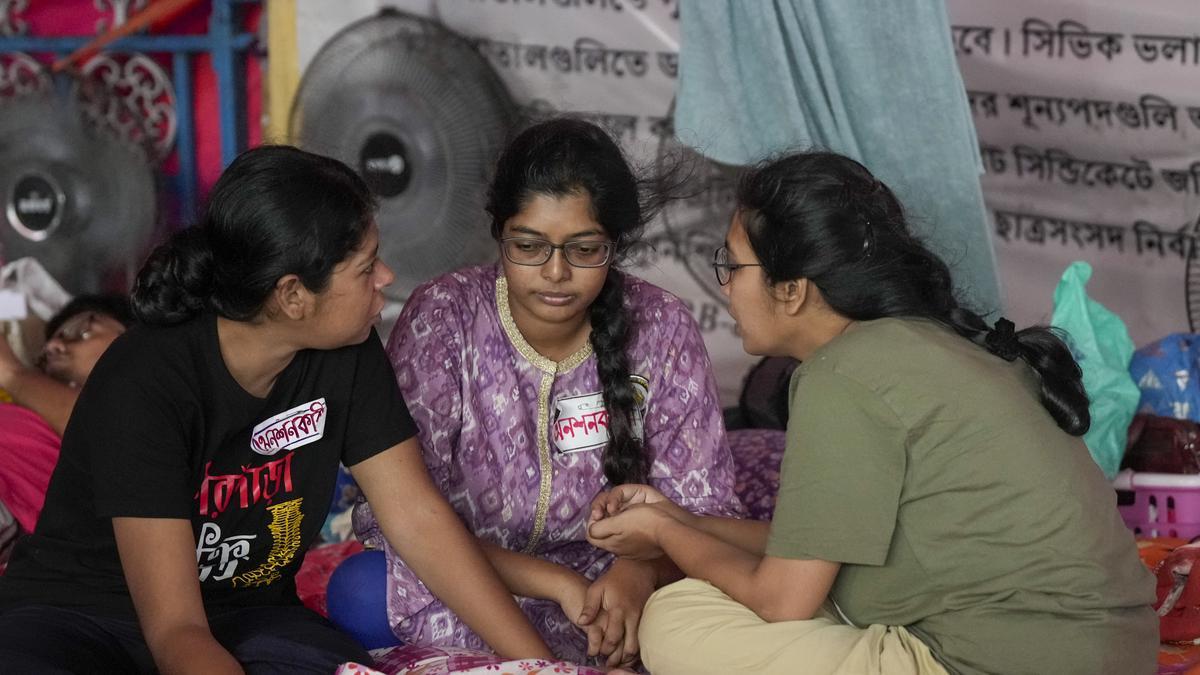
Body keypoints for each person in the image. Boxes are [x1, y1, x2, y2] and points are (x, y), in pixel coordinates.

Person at [585, 151, 1158, 675]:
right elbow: (814, 551)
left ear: (792, 291)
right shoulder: (917, 345)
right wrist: (682, 522)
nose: (727, 288)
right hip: (1111, 652)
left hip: (994, 659)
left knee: (680, 619)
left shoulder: (842, 375)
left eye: (732, 266)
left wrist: (663, 530)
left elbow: (783, 599)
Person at [0, 145, 554, 674]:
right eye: (366, 268)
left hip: (248, 612)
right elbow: (175, 631)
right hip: (83, 613)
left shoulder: (347, 352)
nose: (386, 278)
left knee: (335, 668)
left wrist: (547, 669)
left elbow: (419, 520)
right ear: (292, 296)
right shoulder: (148, 377)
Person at [350, 118, 744, 668]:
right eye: (529, 246)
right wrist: (554, 584)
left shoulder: (661, 326)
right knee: (361, 589)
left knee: (715, 609)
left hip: (610, 590)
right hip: (468, 576)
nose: (556, 272)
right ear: (499, 235)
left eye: (584, 250)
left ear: (615, 244)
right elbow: (402, 515)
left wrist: (639, 572)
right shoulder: (445, 316)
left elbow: (705, 511)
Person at [0, 294, 133, 534]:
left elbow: (96, 427)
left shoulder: (139, 415)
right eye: (42, 359)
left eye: (77, 331)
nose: (52, 347)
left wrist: (16, 376)